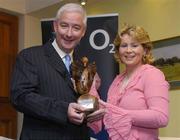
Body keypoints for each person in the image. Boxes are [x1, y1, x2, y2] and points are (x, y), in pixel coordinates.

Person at [10, 3, 90, 140]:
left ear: (83, 32)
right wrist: (64, 110)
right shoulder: (30, 56)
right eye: (64, 26)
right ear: (55, 26)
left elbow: (83, 101)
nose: (69, 33)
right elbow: (20, 97)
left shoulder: (83, 64)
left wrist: (92, 110)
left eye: (76, 28)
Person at [87, 24, 169, 140]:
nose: (128, 50)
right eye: (124, 46)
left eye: (134, 45)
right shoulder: (117, 81)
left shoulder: (152, 74)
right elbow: (106, 121)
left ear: (145, 50)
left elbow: (161, 117)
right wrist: (92, 88)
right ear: (118, 51)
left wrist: (122, 114)